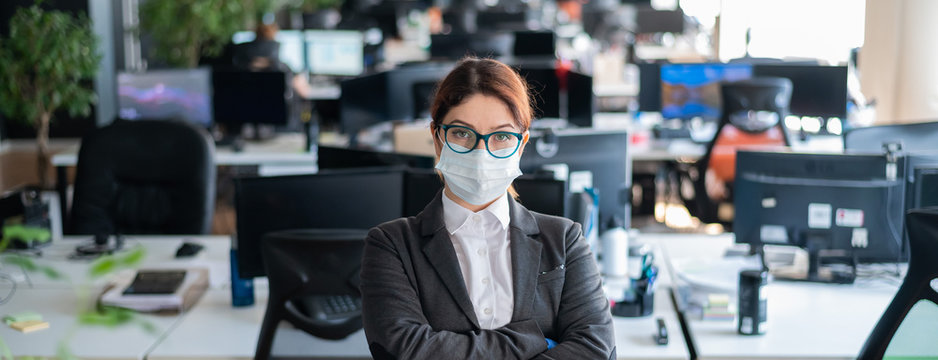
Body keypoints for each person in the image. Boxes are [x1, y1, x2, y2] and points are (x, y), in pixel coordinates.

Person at [360, 57, 616, 359]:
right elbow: (405, 350)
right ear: (438, 138)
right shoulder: (391, 246)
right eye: (462, 133)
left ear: (521, 146)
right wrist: (535, 340)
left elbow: (596, 349)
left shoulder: (564, 239)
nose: (481, 151)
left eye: (502, 136)